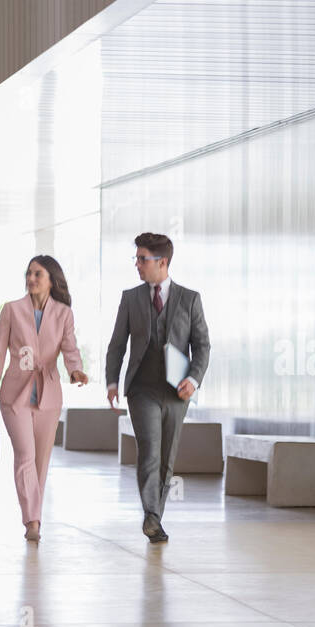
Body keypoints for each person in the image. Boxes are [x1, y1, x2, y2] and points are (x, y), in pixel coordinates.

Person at [105, 232, 210, 543]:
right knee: (150, 451)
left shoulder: (190, 299)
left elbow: (202, 345)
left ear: (162, 262)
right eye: (136, 258)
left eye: (142, 259)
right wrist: (112, 381)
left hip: (177, 392)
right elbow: (117, 345)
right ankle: (151, 514)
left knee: (167, 456)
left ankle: (155, 517)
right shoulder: (130, 298)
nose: (137, 264)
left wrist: (193, 379)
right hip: (142, 389)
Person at [0, 256, 88, 541]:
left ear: (51, 279)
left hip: (49, 396)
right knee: (25, 456)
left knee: (41, 461)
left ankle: (35, 517)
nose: (31, 279)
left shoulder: (64, 313)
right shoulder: (12, 310)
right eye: (28, 273)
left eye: (37, 274)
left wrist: (75, 370)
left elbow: (70, 347)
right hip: (14, 396)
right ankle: (32, 520)